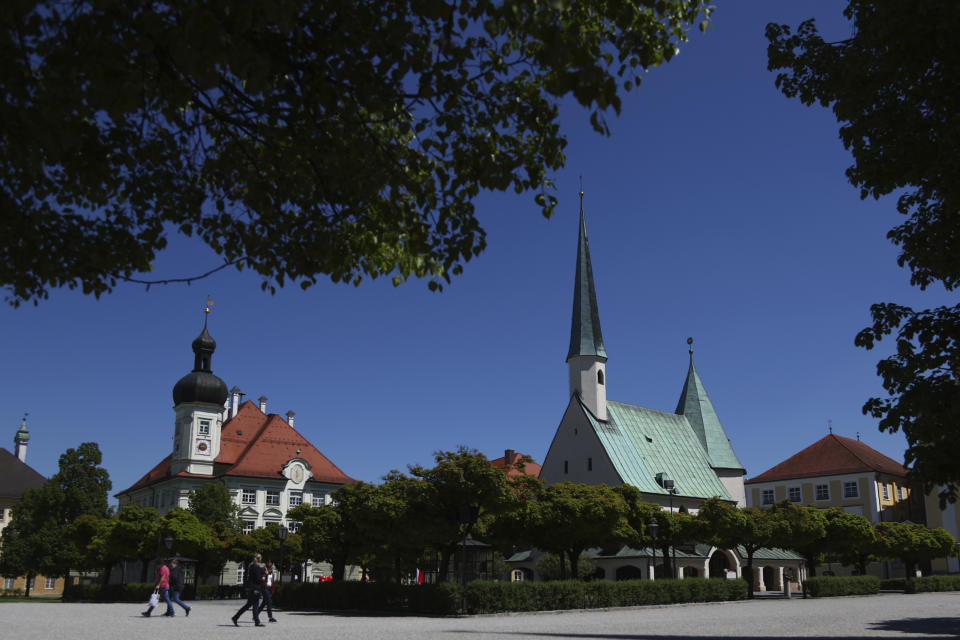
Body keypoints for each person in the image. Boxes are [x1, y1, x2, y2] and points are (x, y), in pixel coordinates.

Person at [231, 553, 264, 627]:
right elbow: (258, 579)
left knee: (248, 605)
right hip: (256, 588)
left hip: (251, 588)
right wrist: (262, 579)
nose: (261, 559)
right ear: (258, 559)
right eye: (260, 558)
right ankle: (257, 621)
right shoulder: (257, 567)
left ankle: (236, 617)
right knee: (255, 605)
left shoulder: (251, 566)